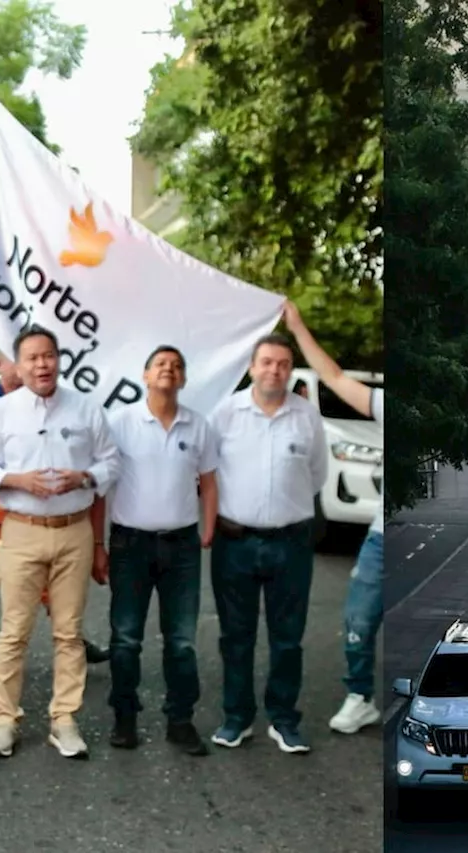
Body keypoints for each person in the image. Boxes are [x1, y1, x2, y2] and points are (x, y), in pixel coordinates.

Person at [0, 325, 121, 760]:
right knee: (13, 631)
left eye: (49, 356)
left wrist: (86, 477)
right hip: (20, 530)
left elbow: (111, 461)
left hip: (74, 530)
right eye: (32, 358)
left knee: (69, 632)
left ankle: (64, 719)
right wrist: (15, 480)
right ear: (18, 365)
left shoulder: (86, 409)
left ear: (60, 360)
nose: (42, 365)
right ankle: (4, 721)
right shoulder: (1, 412)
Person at [208, 333, 327, 754]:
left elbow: (316, 475)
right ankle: (236, 719)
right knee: (235, 636)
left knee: (287, 638)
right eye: (266, 362)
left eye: (282, 363)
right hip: (234, 542)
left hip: (290, 543)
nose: (274, 370)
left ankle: (283, 719)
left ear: (290, 369)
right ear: (251, 367)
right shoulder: (226, 412)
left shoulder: (306, 416)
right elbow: (208, 472)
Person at [0, 351, 109, 675]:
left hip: (40, 511)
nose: (24, 365)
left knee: (51, 580)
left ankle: (73, 640)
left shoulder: (55, 406)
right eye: (14, 359)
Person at [104, 345, 218, 756]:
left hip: (182, 545)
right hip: (128, 543)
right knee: (125, 638)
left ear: (184, 379)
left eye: (176, 366)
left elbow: (208, 481)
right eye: (160, 365)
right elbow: (103, 486)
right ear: (145, 375)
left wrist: (209, 527)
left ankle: (180, 719)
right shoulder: (120, 423)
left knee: (182, 640)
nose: (168, 370)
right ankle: (125, 716)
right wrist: (99, 546)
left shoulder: (198, 426)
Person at [283, 301, 385, 735]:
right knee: (358, 619)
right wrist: (298, 328)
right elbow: (335, 377)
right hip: (383, 538)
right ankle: (360, 696)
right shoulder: (384, 404)